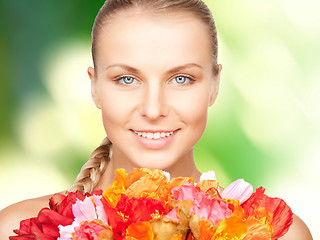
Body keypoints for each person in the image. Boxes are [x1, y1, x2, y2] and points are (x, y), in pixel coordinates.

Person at [0, 0, 313, 239]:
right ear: (94, 87)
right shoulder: (20, 229)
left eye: (180, 79)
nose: (153, 109)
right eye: (126, 79)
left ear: (214, 85)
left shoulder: (275, 233)